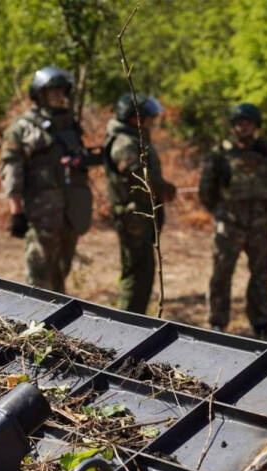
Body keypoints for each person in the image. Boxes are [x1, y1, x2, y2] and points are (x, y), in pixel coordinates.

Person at [0, 66, 100, 293]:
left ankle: (56, 323)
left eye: (62, 90)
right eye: (52, 91)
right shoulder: (23, 128)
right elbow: (11, 169)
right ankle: (35, 324)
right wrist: (16, 212)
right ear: (39, 94)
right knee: (39, 276)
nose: (58, 95)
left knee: (60, 272)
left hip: (71, 213)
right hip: (42, 214)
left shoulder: (69, 125)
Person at [198, 103, 267, 339]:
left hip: (260, 225)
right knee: (221, 274)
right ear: (233, 125)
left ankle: (261, 323)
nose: (243, 127)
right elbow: (206, 189)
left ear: (256, 125)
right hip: (229, 225)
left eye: (248, 123)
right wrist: (221, 213)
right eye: (239, 123)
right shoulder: (220, 153)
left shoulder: (266, 151)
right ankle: (217, 323)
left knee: (261, 275)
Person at [103, 93, 176, 313]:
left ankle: (135, 320)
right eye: (148, 117)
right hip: (133, 217)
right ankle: (127, 324)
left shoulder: (135, 138)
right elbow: (136, 174)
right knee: (136, 274)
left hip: (142, 214)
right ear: (135, 118)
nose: (151, 122)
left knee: (144, 272)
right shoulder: (124, 142)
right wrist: (164, 187)